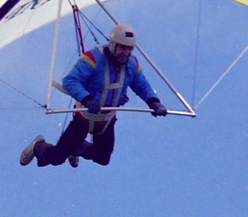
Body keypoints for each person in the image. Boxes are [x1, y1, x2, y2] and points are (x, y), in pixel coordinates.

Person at [20, 23, 166, 168]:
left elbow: (141, 85)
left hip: (106, 120)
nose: (126, 53)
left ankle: (77, 148)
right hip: (84, 118)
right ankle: (38, 146)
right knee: (56, 158)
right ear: (113, 45)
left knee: (103, 158)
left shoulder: (132, 64)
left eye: (130, 49)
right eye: (122, 48)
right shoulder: (93, 58)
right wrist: (87, 99)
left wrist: (153, 101)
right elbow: (70, 81)